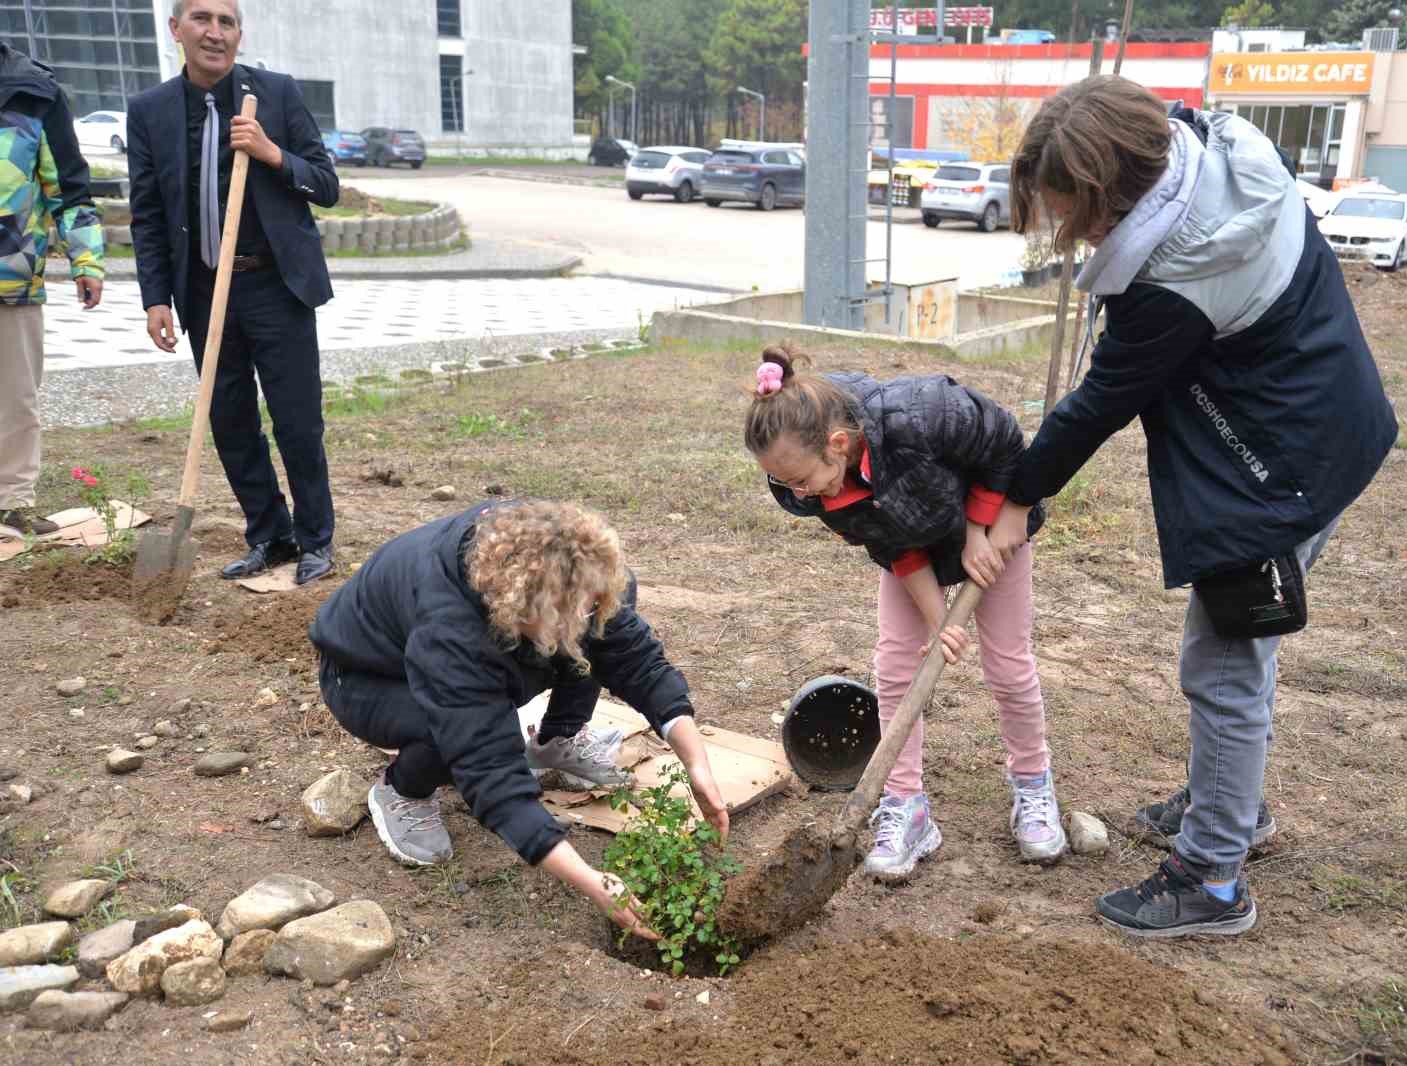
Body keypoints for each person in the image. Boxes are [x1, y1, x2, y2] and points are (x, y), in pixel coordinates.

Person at [991, 76, 1397, 937]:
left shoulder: (1175, 284)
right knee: (1234, 654)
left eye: (1073, 211)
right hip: (1320, 416)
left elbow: (1098, 404)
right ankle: (1233, 810)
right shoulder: (1206, 149)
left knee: (1223, 660)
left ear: (1112, 193)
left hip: (1282, 462)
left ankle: (1212, 877)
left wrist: (1015, 497)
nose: (1072, 231)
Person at [308, 499, 730, 937]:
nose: (584, 616)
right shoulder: (451, 633)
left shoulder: (574, 569)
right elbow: (491, 771)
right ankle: (400, 791)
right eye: (567, 614)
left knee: (586, 642)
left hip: (482, 644)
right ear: (518, 607)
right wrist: (594, 883)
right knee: (446, 738)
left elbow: (637, 661)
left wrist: (696, 763)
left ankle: (556, 739)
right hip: (366, 675)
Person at [743, 346, 1062, 881]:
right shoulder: (815, 491)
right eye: (785, 484)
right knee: (894, 667)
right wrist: (940, 620)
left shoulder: (921, 413)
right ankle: (906, 807)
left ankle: (1033, 786)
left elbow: (1005, 443)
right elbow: (891, 544)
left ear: (837, 445)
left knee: (1007, 666)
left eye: (801, 479)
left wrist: (982, 532)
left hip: (994, 523)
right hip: (915, 545)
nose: (797, 493)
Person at [127, 0, 339, 585]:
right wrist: (156, 299)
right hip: (202, 290)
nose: (214, 33)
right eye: (201, 19)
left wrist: (272, 153)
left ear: (239, 35)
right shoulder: (150, 111)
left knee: (298, 421)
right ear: (176, 29)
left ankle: (316, 538)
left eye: (226, 22)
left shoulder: (277, 94)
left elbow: (326, 185)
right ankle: (269, 534)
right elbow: (146, 213)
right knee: (230, 421)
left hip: (277, 285)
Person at [0, 41, 104, 537]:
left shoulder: (35, 93)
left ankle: (10, 504)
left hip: (11, 277)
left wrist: (87, 260)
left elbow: (70, 188)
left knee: (15, 398)